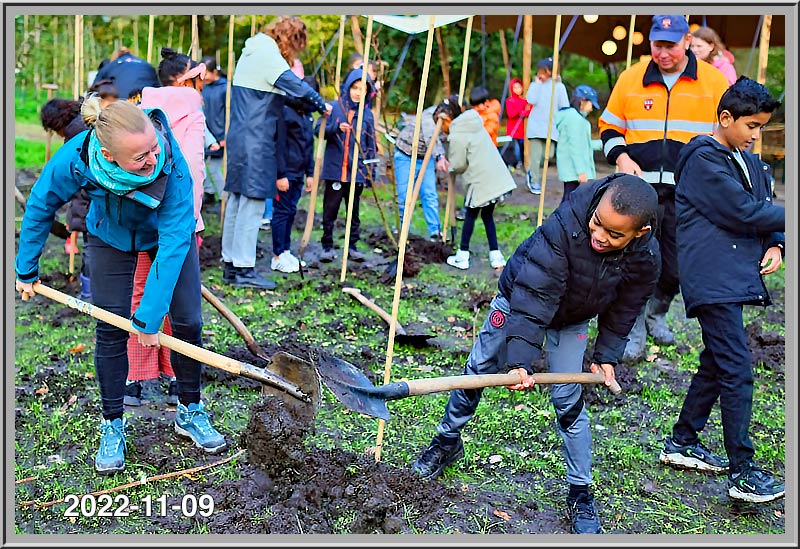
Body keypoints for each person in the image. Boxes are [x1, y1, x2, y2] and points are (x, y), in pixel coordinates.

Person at [411, 173, 660, 534]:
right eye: (597, 223)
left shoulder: (646, 256)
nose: (600, 236)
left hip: (572, 319)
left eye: (614, 234)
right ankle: (446, 441)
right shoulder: (565, 225)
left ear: (639, 233)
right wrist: (519, 361)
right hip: (517, 300)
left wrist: (607, 355)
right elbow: (536, 294)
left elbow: (626, 307)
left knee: (568, 398)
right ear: (596, 205)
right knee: (479, 368)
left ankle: (580, 491)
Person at [15, 97, 227, 474]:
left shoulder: (171, 163)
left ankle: (190, 410)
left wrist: (149, 315)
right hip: (110, 238)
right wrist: (26, 268)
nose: (152, 158)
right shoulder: (78, 157)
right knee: (111, 328)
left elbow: (176, 239)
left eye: (152, 148)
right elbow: (40, 203)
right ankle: (112, 422)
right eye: (140, 157)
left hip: (167, 238)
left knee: (189, 322)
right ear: (109, 156)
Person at [659, 78, 784, 503]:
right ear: (725, 118)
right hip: (712, 279)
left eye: (762, 127)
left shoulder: (740, 158)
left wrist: (776, 241)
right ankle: (742, 471)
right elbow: (744, 210)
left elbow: (762, 205)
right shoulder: (703, 160)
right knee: (736, 369)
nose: (755, 134)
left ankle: (683, 440)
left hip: (730, 275)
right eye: (751, 125)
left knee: (717, 362)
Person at [598, 14, 730, 362]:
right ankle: (635, 329)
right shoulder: (631, 78)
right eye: (658, 45)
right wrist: (623, 158)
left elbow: (729, 137)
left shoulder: (713, 82)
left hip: (689, 194)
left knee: (675, 267)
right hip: (639, 193)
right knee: (637, 262)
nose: (663, 53)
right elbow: (609, 129)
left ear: (687, 42)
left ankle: (657, 314)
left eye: (671, 45)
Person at [123, 48, 210, 407]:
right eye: (199, 79)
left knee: (141, 291)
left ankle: (136, 378)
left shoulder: (142, 108)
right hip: (180, 217)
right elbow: (194, 169)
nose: (203, 85)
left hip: (140, 217)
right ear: (186, 80)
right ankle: (175, 374)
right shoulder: (193, 111)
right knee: (175, 293)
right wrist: (192, 219)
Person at [222, 16, 329, 289]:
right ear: (290, 39)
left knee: (236, 200)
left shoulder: (252, 51)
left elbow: (285, 94)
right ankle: (244, 270)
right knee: (253, 202)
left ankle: (231, 265)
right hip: (257, 140)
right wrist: (321, 104)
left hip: (239, 136)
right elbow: (296, 86)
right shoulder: (269, 54)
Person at [39, 82, 121, 302]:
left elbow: (79, 179)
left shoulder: (76, 132)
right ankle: (94, 291)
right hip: (104, 197)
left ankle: (90, 294)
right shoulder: (83, 122)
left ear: (55, 123)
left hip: (93, 200)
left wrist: (74, 214)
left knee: (91, 246)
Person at [435, 96, 516, 271]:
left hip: (480, 180)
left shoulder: (457, 134)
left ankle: (463, 255)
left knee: (471, 215)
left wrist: (448, 166)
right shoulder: (473, 123)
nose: (440, 129)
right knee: (487, 216)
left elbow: (458, 164)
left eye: (440, 124)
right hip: (495, 175)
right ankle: (496, 255)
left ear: (447, 119)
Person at [316, 67, 376, 263]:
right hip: (335, 171)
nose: (358, 93)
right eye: (355, 88)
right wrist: (334, 128)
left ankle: (352, 246)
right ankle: (327, 245)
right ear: (348, 87)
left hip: (356, 173)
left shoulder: (367, 116)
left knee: (353, 211)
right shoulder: (334, 108)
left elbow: (371, 145)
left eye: (363, 89)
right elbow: (318, 130)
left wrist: (370, 172)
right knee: (330, 209)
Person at [270, 72, 320, 274]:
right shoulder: (285, 112)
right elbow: (279, 145)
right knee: (281, 213)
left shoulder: (306, 115)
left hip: (299, 172)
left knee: (291, 212)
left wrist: (310, 173)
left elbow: (309, 146)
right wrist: (280, 174)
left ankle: (285, 250)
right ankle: (276, 255)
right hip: (286, 172)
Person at [392, 103, 448, 241]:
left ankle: (435, 232)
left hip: (425, 158)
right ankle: (402, 230)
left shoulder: (449, 121)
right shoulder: (429, 118)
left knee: (429, 194)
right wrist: (440, 156)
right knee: (404, 196)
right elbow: (431, 138)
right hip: (405, 155)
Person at [525, 57, 569, 195]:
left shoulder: (559, 87)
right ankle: (534, 180)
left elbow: (564, 106)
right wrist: (536, 84)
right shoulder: (536, 85)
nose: (540, 75)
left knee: (548, 156)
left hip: (552, 127)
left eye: (543, 72)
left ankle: (533, 174)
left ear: (550, 71)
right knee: (536, 156)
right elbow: (530, 99)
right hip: (536, 126)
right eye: (539, 72)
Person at [554, 85, 602, 204]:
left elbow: (583, 144)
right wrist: (581, 171)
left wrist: (603, 144)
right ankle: (561, 222)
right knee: (570, 202)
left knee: (570, 200)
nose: (591, 109)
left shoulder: (574, 118)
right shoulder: (574, 119)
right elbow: (575, 146)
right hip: (574, 171)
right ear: (583, 101)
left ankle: (562, 222)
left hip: (572, 169)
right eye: (591, 104)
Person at [200, 56, 228, 203]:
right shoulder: (202, 87)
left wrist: (226, 136)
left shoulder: (226, 88)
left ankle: (225, 199)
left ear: (214, 71)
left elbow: (233, 114)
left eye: (206, 74)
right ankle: (209, 193)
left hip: (220, 135)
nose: (203, 77)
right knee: (201, 167)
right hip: (205, 133)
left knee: (213, 168)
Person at [92, 46, 160, 101]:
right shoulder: (147, 65)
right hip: (145, 103)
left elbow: (93, 91)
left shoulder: (109, 66)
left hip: (119, 104)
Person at [504, 77, 531, 171]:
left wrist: (522, 111)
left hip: (522, 131)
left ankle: (523, 165)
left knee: (523, 148)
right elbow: (511, 114)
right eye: (515, 87)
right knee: (515, 150)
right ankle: (515, 165)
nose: (517, 89)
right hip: (513, 130)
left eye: (519, 87)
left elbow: (529, 111)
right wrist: (521, 110)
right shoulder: (509, 101)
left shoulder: (524, 101)